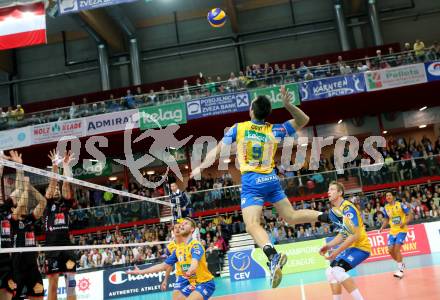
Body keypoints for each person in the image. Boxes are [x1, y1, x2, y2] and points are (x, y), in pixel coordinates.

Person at [191, 86, 328, 288]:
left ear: (252, 111)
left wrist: (201, 167)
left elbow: (217, 151)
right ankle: (328, 216)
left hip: (252, 183)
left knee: (252, 225)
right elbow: (303, 120)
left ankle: (272, 256)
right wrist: (289, 105)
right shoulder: (275, 129)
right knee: (290, 217)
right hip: (271, 180)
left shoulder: (239, 128)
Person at [128, 218, 215, 300]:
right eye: (182, 224)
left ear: (192, 229)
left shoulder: (195, 245)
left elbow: (194, 263)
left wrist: (189, 271)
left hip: (205, 283)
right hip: (193, 283)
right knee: (177, 298)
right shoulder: (178, 249)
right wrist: (140, 271)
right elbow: (163, 266)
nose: (182, 225)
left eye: (186, 223)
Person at [319, 182, 371, 300]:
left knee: (337, 271)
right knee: (329, 272)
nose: (328, 192)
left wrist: (336, 252)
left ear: (340, 193)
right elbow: (344, 233)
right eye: (328, 189)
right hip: (351, 247)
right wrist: (328, 246)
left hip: (361, 247)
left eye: (332, 189)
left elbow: (354, 236)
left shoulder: (348, 209)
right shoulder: (334, 212)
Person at [44, 150, 77, 300]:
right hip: (52, 249)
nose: (57, 189)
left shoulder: (65, 203)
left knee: (71, 285)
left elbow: (66, 183)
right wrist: (55, 166)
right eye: (55, 189)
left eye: (58, 189)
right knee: (53, 285)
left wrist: (65, 164)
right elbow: (52, 185)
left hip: (66, 246)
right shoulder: (48, 203)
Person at [11, 173, 47, 300]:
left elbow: (43, 202)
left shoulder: (30, 219)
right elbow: (21, 202)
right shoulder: (13, 221)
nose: (24, 202)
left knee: (38, 297)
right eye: (20, 199)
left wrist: (30, 186)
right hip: (17, 269)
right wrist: (25, 188)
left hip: (32, 268)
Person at [379, 191, 413, 278]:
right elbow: (386, 219)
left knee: (397, 248)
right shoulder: (386, 208)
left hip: (402, 230)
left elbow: (410, 215)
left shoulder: (401, 205)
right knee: (390, 250)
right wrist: (382, 227)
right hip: (392, 231)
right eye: (386, 195)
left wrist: (404, 222)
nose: (388, 197)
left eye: (389, 195)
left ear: (393, 197)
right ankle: (401, 264)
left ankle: (400, 270)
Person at [160, 222, 186, 299]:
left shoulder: (188, 242)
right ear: (173, 231)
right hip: (180, 275)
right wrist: (165, 280)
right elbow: (169, 265)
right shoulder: (170, 247)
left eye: (179, 227)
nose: (177, 229)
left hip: (192, 274)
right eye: (175, 228)